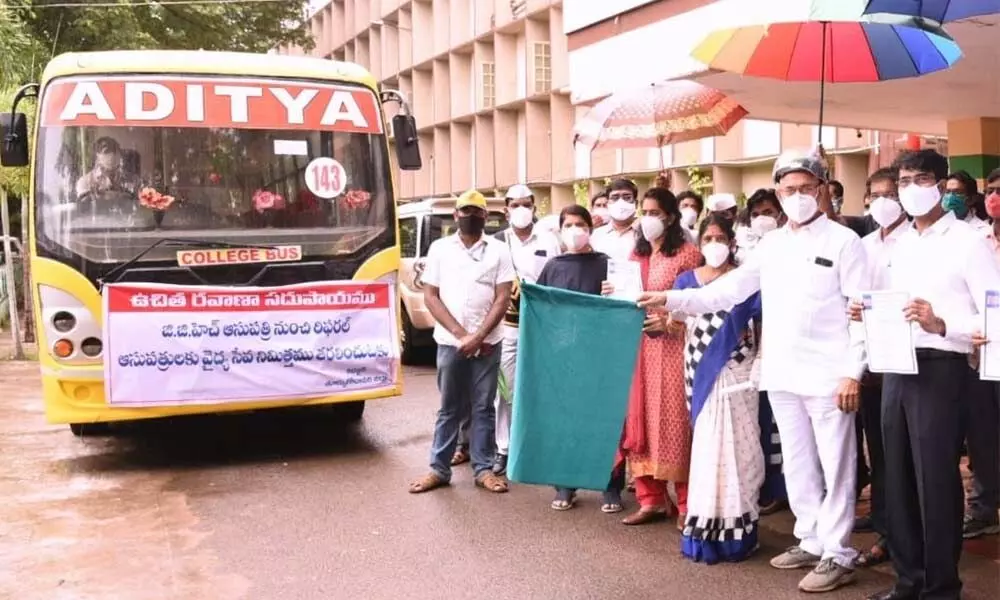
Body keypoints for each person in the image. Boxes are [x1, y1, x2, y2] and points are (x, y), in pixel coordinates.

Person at [638, 149, 866, 593]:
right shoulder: (772, 244)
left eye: (805, 188)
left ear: (820, 190)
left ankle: (838, 551)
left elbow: (860, 312)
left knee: (836, 463)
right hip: (781, 370)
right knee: (798, 461)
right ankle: (811, 538)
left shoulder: (844, 241)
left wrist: (853, 370)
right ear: (778, 193)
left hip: (828, 373)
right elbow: (726, 291)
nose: (797, 197)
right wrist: (670, 299)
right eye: (788, 189)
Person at [849, 149, 1000, 600]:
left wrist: (943, 325)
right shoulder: (901, 244)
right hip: (897, 368)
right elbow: (892, 303)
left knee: (935, 482)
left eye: (921, 179)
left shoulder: (969, 242)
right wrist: (866, 311)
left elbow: (994, 315)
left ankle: (940, 587)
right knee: (896, 480)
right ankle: (907, 581)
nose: (911, 189)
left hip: (942, 371)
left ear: (941, 183)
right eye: (905, 181)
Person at [604, 187, 703, 527]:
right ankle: (652, 499)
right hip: (640, 349)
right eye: (643, 212)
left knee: (675, 420)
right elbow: (627, 299)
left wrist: (670, 321)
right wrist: (613, 293)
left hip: (674, 348)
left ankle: (689, 504)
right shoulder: (636, 256)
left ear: (671, 217)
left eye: (654, 213)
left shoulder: (687, 256)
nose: (647, 219)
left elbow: (698, 303)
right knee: (641, 419)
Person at [409, 190, 514, 495]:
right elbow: (431, 296)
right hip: (450, 342)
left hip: (488, 342)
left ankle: (483, 469)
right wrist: (461, 336)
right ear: (455, 216)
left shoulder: (498, 250)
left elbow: (503, 297)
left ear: (486, 217)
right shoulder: (440, 249)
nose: (471, 216)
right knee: (449, 408)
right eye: (465, 211)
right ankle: (438, 469)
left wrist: (479, 336)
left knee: (484, 407)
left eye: (477, 212)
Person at [676, 214, 764, 564]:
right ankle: (705, 530)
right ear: (699, 244)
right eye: (708, 237)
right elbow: (675, 323)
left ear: (732, 242)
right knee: (710, 448)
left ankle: (739, 532)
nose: (714, 244)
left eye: (720, 237)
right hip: (703, 372)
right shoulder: (686, 281)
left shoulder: (746, 281)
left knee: (743, 452)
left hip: (740, 374)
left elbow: (762, 323)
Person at [536, 204, 625, 513]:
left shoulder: (609, 265)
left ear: (590, 228)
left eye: (580, 224)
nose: (575, 230)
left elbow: (623, 304)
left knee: (604, 421)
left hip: (601, 355)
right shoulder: (553, 266)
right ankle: (565, 484)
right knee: (566, 421)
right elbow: (542, 311)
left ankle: (610, 485)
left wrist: (616, 291)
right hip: (564, 357)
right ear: (561, 230)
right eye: (569, 224)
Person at [853, 167, 908, 569]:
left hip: (909, 363)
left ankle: (903, 535)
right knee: (881, 451)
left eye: (892, 193)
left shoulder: (917, 243)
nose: (883, 201)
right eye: (876, 194)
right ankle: (888, 527)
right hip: (871, 362)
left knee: (904, 455)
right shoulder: (864, 245)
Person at [491, 184, 561, 476]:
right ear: (506, 208)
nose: (521, 210)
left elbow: (557, 278)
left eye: (526, 204)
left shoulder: (549, 240)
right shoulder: (495, 242)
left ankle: (539, 444)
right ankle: (504, 448)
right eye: (514, 204)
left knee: (543, 385)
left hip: (542, 324)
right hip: (507, 325)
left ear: (534, 207)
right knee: (505, 389)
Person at [591, 179, 639, 263]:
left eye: (627, 197)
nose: (621, 202)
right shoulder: (595, 235)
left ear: (636, 203)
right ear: (608, 203)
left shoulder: (645, 234)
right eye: (615, 198)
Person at [75, 136, 141, 197]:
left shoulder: (134, 180)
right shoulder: (85, 182)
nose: (111, 155)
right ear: (97, 157)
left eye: (114, 150)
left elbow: (139, 204)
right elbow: (84, 206)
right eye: (105, 151)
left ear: (120, 155)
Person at [735, 188, 784, 265]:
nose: (760, 218)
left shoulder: (792, 243)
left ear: (780, 215)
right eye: (755, 215)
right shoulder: (742, 244)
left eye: (767, 213)